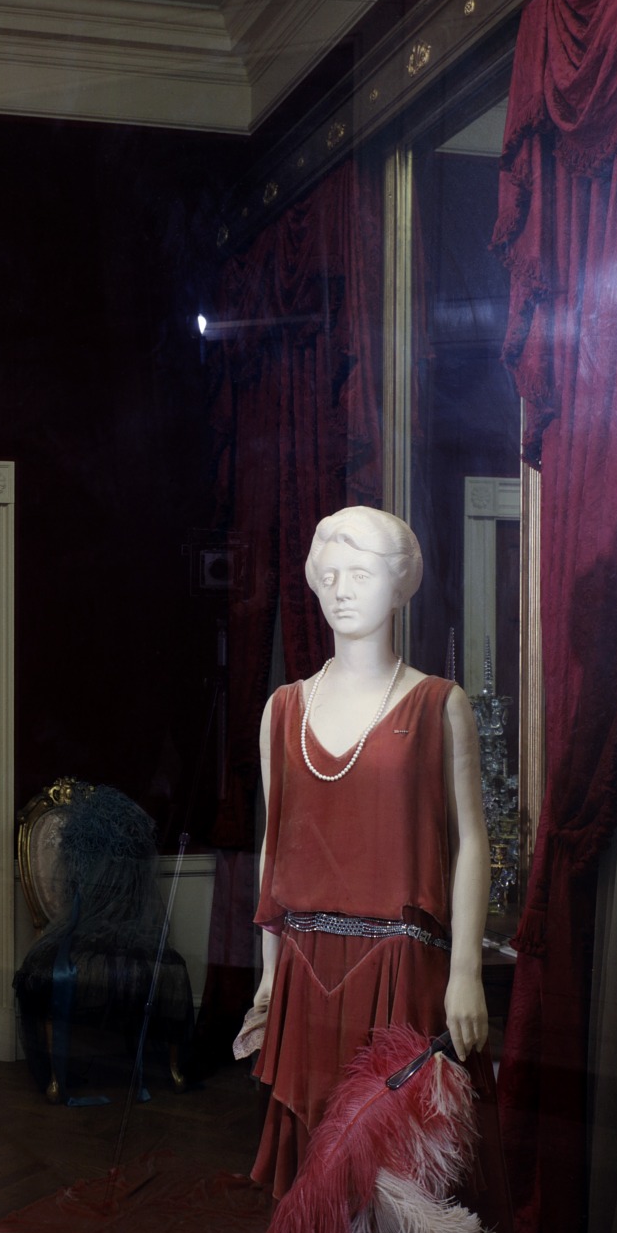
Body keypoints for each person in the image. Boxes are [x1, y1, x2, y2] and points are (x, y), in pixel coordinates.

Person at [232, 507, 490, 1196]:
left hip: (402, 969)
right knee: (317, 1177)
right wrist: (269, 971)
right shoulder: (285, 709)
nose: (342, 590)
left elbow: (471, 840)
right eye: (331, 575)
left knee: (395, 1175)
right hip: (306, 967)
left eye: (363, 574)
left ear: (400, 586)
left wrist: (466, 970)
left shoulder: (439, 704)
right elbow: (277, 841)